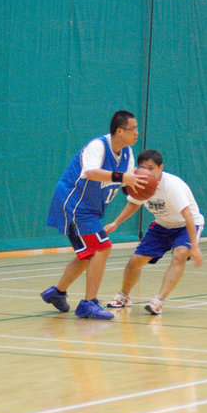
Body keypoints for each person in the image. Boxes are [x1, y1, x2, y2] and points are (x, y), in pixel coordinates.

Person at [41, 110, 146, 320]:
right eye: (133, 129)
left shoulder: (127, 153)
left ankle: (57, 292)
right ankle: (88, 304)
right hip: (74, 203)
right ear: (119, 131)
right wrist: (123, 177)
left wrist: (143, 186)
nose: (137, 132)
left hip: (91, 208)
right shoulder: (98, 146)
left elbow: (127, 184)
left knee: (89, 253)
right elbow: (91, 173)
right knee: (102, 247)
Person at [104, 149, 204, 315]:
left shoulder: (171, 185)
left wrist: (194, 246)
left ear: (160, 168)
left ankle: (158, 300)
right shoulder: (140, 182)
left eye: (151, 168)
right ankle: (124, 295)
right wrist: (116, 223)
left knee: (180, 254)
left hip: (185, 225)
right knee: (135, 261)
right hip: (162, 225)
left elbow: (188, 216)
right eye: (143, 168)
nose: (147, 172)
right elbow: (134, 203)